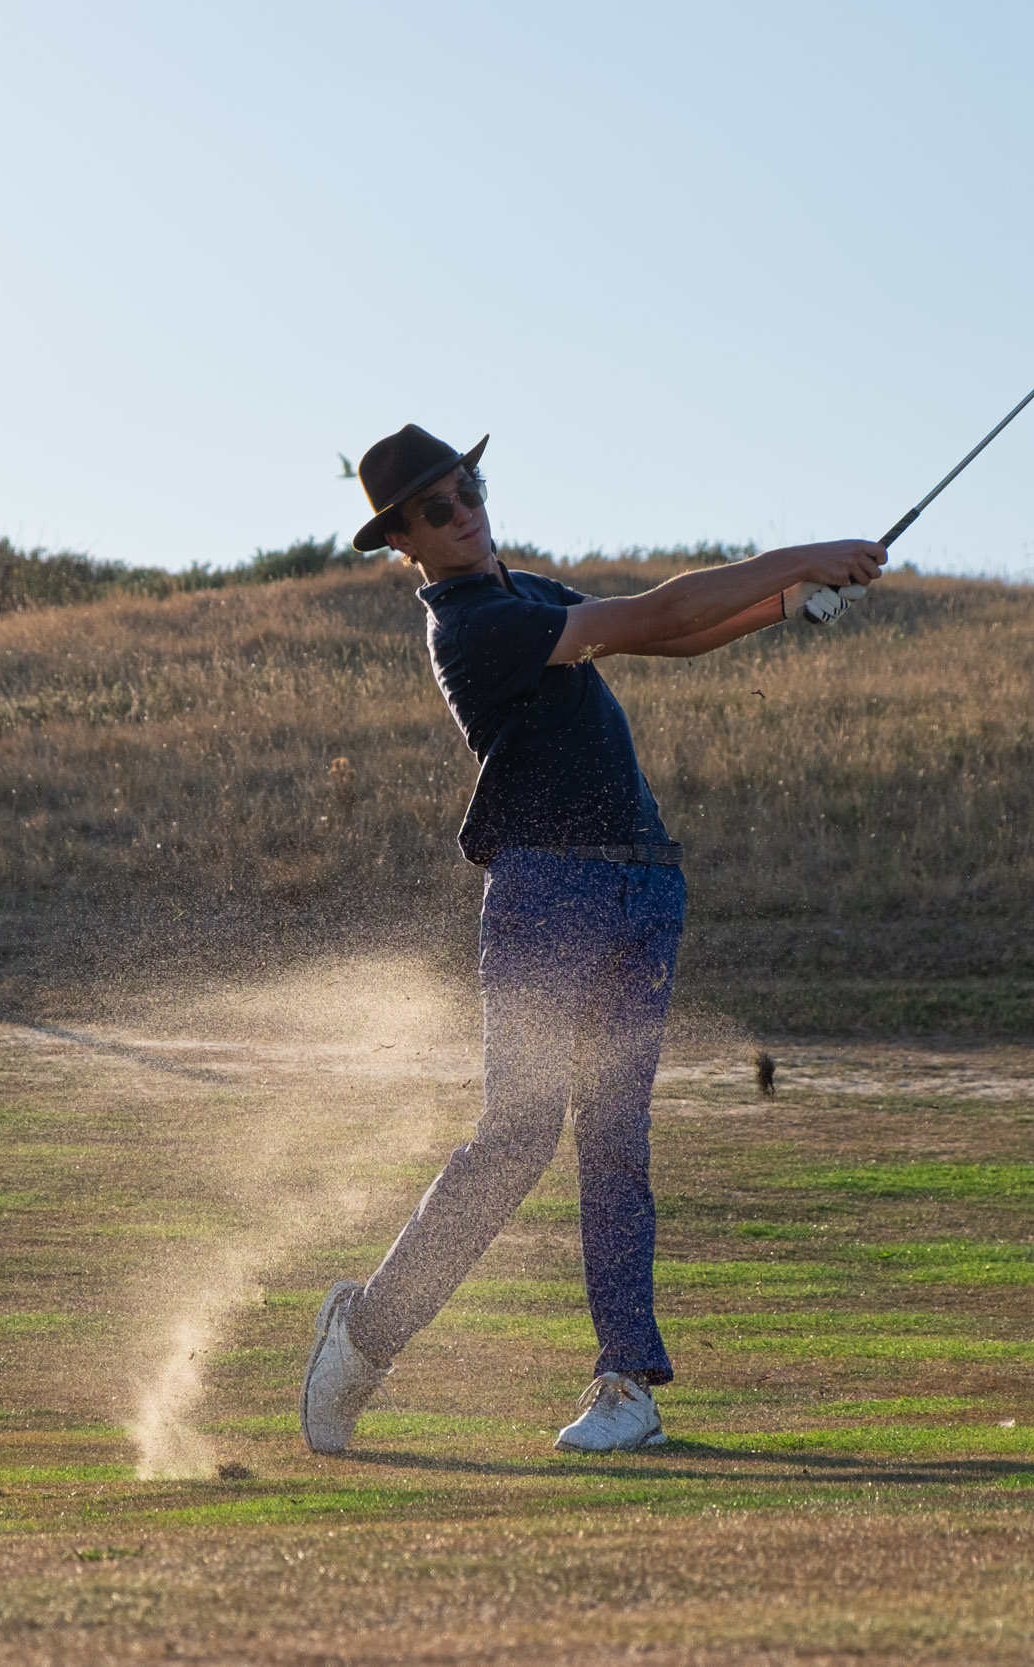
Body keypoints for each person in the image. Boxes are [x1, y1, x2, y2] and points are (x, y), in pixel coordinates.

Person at [300, 424, 886, 1455]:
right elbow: (656, 608)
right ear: (403, 540)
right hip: (545, 891)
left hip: (641, 885)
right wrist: (804, 554)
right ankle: (368, 1330)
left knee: (616, 1139)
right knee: (518, 1136)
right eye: (436, 506)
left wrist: (787, 604)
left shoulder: (529, 594)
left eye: (468, 485)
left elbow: (672, 635)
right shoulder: (468, 626)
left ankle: (624, 1385)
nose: (464, 508)